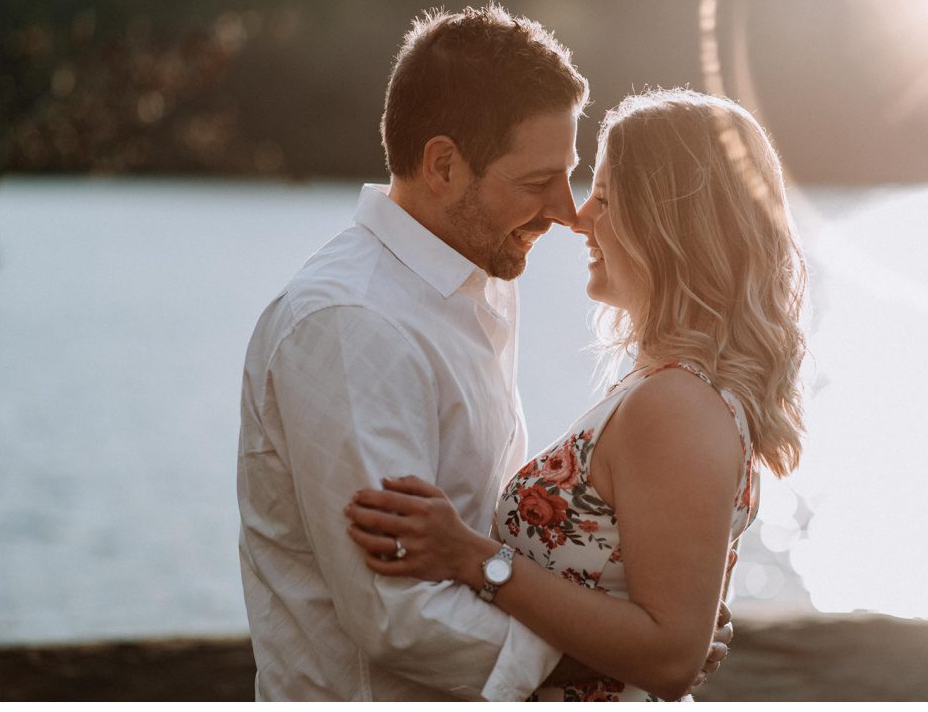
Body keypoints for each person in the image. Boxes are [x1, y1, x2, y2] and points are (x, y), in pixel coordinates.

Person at [237, 5, 729, 701]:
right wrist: (630, 649)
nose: (566, 210)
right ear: (443, 164)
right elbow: (399, 614)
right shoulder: (353, 324)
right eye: (536, 183)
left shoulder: (477, 282)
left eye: (569, 175)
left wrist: (648, 621)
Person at [345, 88, 809, 701]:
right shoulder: (667, 390)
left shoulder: (676, 405)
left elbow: (670, 655)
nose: (579, 217)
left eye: (608, 198)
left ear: (667, 225)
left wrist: (474, 559)